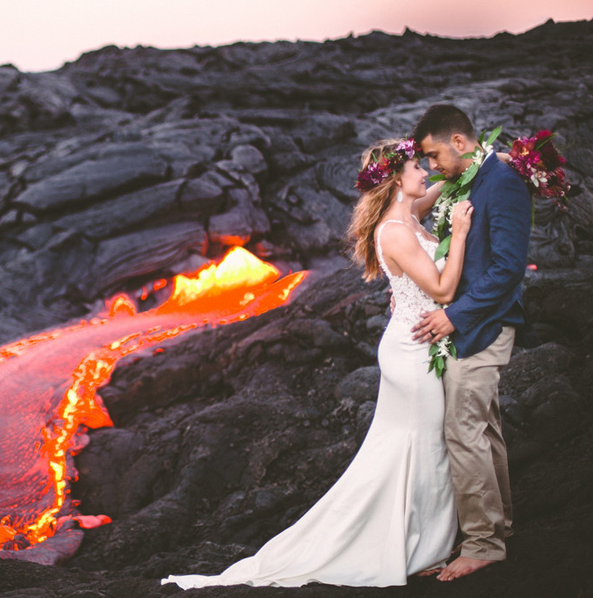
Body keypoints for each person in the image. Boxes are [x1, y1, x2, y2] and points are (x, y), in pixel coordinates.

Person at [162, 138, 474, 589]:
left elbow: (446, 181)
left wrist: (491, 158)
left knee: (408, 449)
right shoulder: (397, 230)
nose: (424, 170)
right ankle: (411, 545)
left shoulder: (410, 212)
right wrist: (460, 234)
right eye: (414, 166)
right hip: (411, 351)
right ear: (394, 179)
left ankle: (414, 539)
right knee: (424, 446)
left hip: (416, 342)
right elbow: (443, 291)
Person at [410, 104, 532, 582]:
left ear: (459, 142)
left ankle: (484, 543)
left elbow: (507, 269)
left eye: (435, 155)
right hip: (471, 325)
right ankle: (501, 523)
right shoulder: (472, 178)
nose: (432, 166)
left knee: (462, 431)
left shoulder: (501, 184)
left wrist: (452, 316)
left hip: (482, 327)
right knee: (484, 427)